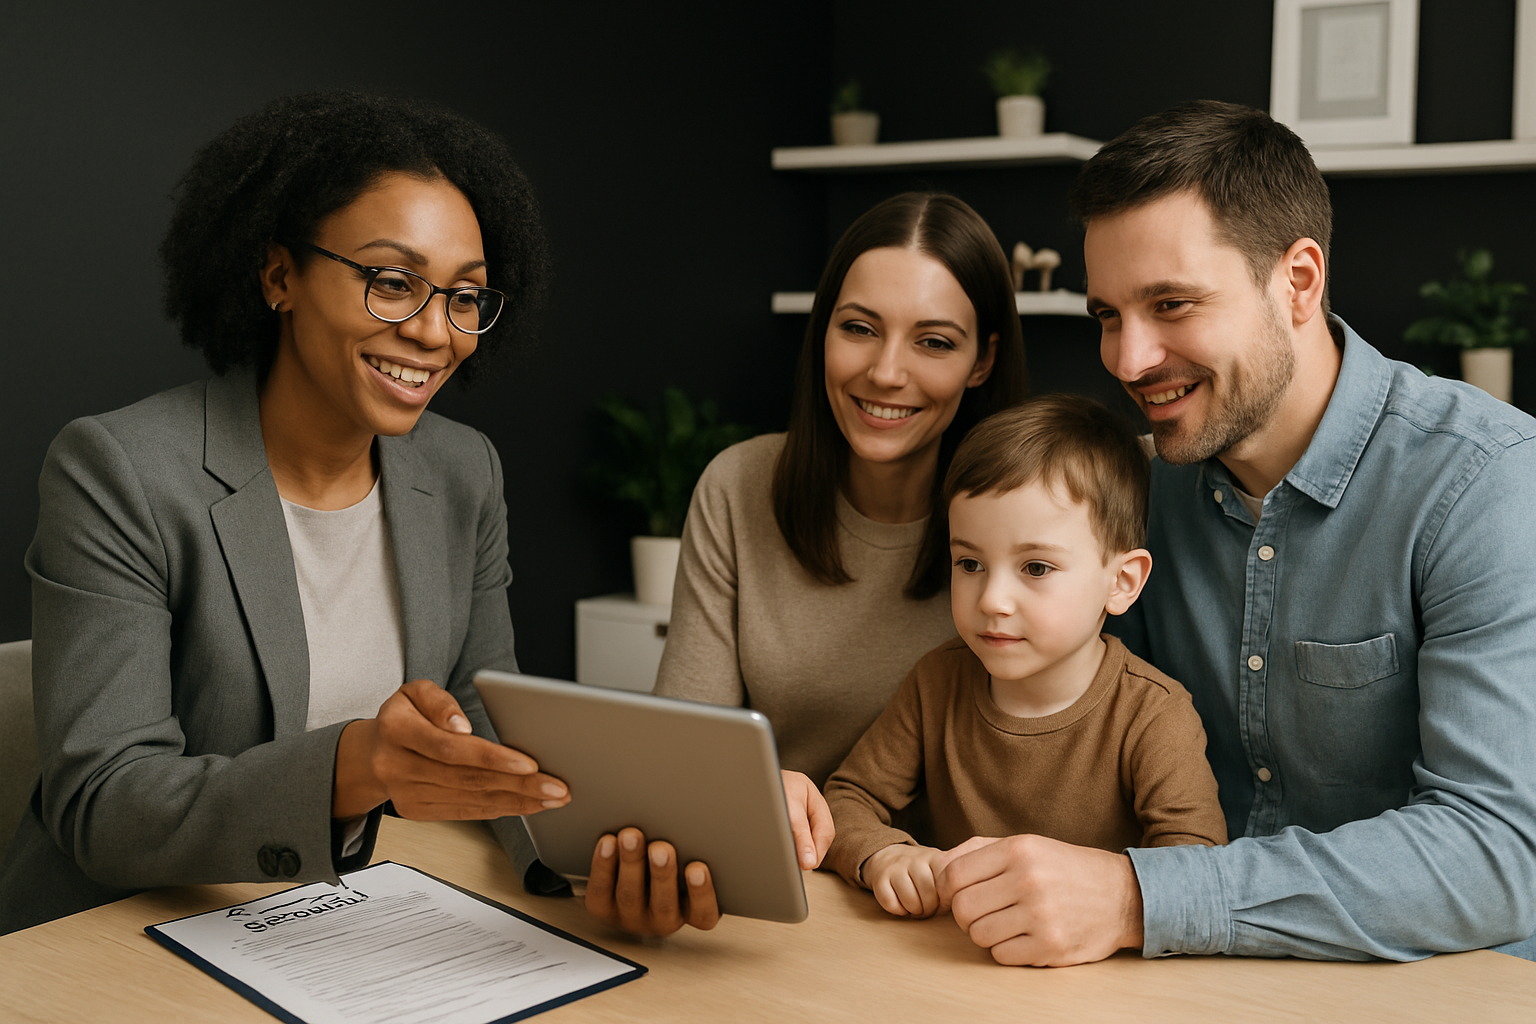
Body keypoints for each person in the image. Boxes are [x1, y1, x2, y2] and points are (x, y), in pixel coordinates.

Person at [3, 91, 655, 935]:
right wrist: (354, 766)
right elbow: (104, 801)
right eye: (394, 282)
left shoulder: (463, 472)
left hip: (351, 919)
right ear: (280, 276)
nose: (435, 332)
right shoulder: (121, 471)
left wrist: (599, 851)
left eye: (465, 297)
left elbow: (481, 709)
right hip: (124, 936)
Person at [929, 100, 1536, 965]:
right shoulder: (1130, 492)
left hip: (1440, 991)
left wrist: (1143, 899)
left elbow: (1498, 855)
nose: (1128, 360)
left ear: (1297, 282)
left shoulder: (1488, 482)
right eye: (1108, 314)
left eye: (1171, 304)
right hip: (1179, 986)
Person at [599, 192, 1029, 932]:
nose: (886, 373)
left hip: (961, 918)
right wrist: (747, 787)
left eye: (933, 342)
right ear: (822, 332)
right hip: (780, 901)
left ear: (984, 359)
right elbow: (683, 749)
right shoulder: (738, 487)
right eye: (858, 329)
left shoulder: (1034, 519)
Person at [822, 395, 1226, 919]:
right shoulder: (936, 682)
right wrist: (883, 855)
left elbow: (1197, 870)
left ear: (1122, 582)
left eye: (1035, 568)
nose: (991, 600)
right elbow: (846, 799)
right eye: (969, 563)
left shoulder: (1155, 714)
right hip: (951, 964)